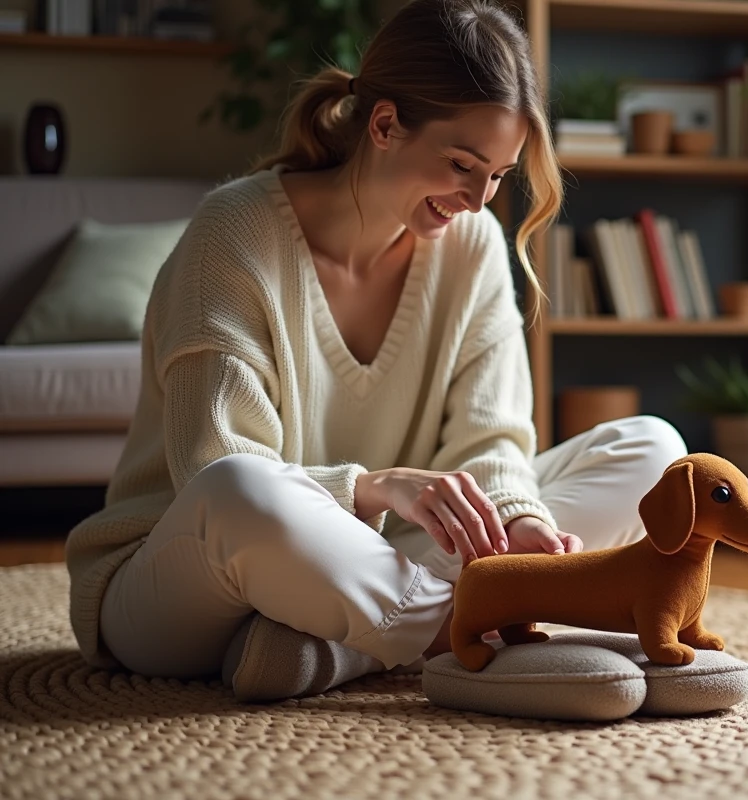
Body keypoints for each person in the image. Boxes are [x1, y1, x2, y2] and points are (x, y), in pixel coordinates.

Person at [64, 0, 686, 687]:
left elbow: (490, 441)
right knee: (238, 490)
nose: (478, 199)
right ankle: (472, 629)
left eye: (499, 176)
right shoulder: (232, 234)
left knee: (655, 454)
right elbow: (216, 468)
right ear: (385, 124)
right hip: (186, 583)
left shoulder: (470, 246)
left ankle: (333, 649)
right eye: (461, 164)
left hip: (359, 567)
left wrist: (518, 519)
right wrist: (372, 489)